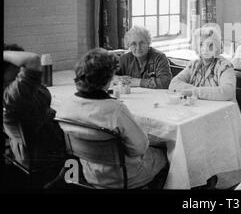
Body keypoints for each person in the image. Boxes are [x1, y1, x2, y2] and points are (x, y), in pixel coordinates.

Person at [56, 48, 168, 189]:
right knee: (168, 153)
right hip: (124, 177)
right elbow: (139, 148)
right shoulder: (115, 110)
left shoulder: (66, 106)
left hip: (89, 172)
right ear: (108, 80)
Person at [3, 44, 66, 176]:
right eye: (17, 65)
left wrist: (48, 113)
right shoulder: (12, 95)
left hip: (36, 149)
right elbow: (32, 60)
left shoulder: (19, 91)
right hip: (43, 153)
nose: (21, 68)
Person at [169, 26, 236, 102]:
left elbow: (228, 92)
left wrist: (194, 92)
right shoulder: (194, 65)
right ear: (196, 47)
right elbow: (174, 84)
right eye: (201, 44)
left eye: (210, 45)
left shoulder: (225, 66)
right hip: (199, 108)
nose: (206, 49)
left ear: (216, 47)